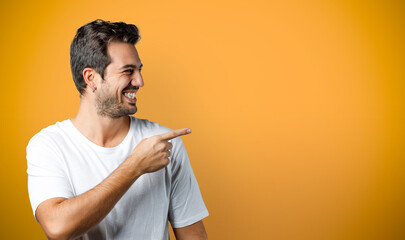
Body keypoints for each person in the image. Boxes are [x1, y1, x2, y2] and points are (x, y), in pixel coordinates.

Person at [26, 19, 209, 240]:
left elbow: (193, 235)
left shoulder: (163, 144)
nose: (139, 81)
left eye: (139, 70)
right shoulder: (49, 145)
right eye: (128, 71)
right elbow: (57, 227)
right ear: (91, 78)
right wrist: (134, 166)